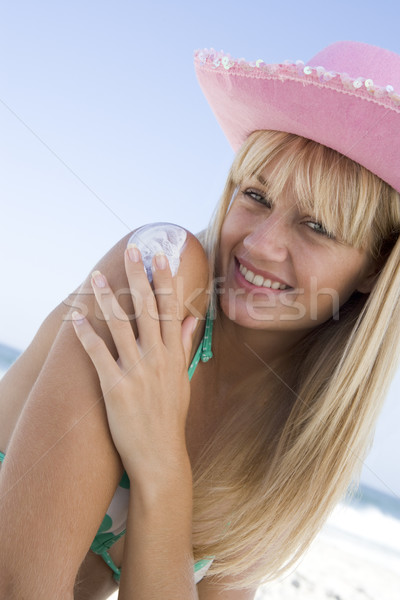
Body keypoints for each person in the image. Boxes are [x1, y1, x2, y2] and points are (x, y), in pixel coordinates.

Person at [1, 39, 400, 599]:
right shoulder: (163, 274)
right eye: (256, 195)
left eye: (316, 227)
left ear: (373, 269)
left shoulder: (294, 443)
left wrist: (162, 465)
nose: (260, 245)